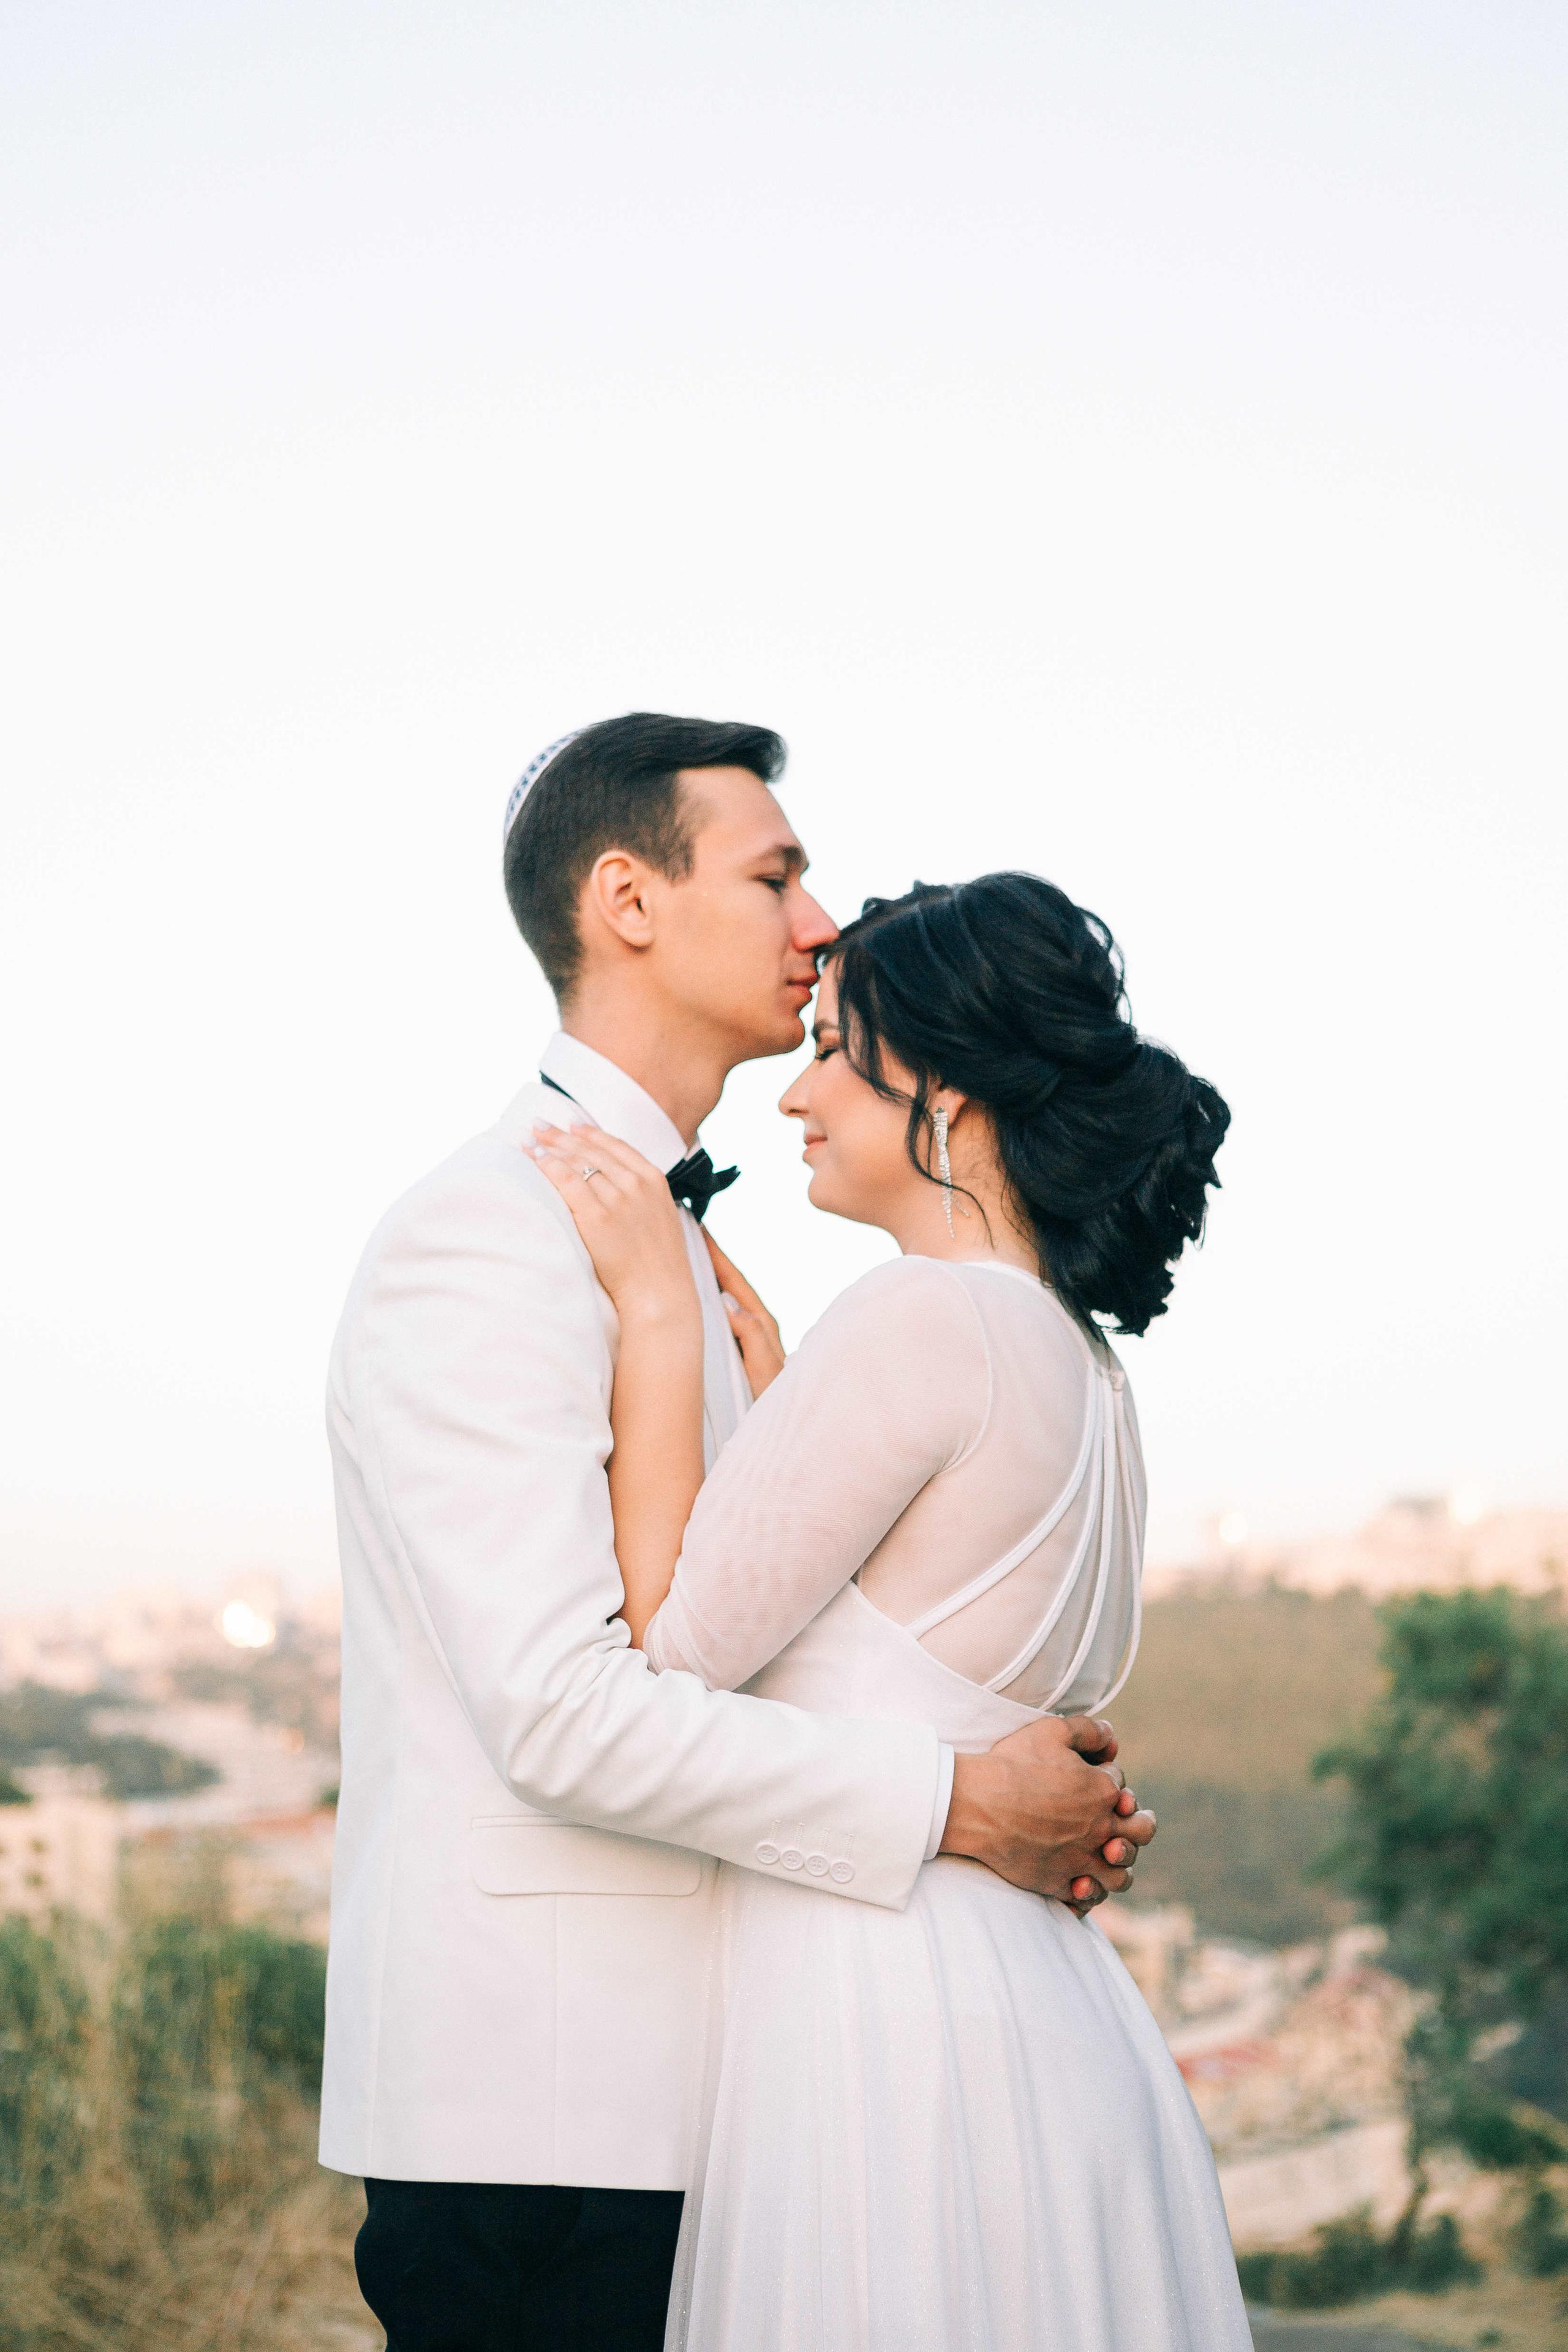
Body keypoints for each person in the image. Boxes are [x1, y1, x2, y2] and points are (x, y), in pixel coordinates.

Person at [320, 716, 1155, 2352]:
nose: (820, 922)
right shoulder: (485, 1236)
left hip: (749, 2100)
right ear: (627, 901)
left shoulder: (702, 1266)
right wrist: (961, 1801)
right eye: (775, 874)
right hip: (553, 2128)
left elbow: (787, 1644)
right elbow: (569, 1711)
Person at [526, 869, 1248, 2350]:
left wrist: (659, 1314)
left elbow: (671, 1652)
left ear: (946, 1091)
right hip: (1044, 2016)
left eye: (833, 1054)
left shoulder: (919, 1317)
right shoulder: (1077, 1360)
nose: (796, 1098)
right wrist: (785, 1399)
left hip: (884, 2025)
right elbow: (912, 1628)